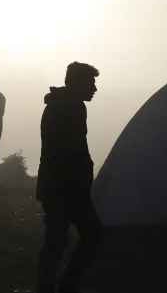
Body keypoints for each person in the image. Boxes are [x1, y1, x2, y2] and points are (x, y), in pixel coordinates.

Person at [36, 62, 103, 293]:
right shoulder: (68, 108)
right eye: (91, 83)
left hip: (63, 186)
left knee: (59, 239)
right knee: (82, 237)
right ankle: (59, 287)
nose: (94, 88)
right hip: (65, 187)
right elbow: (66, 150)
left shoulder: (65, 105)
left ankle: (52, 287)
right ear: (77, 83)